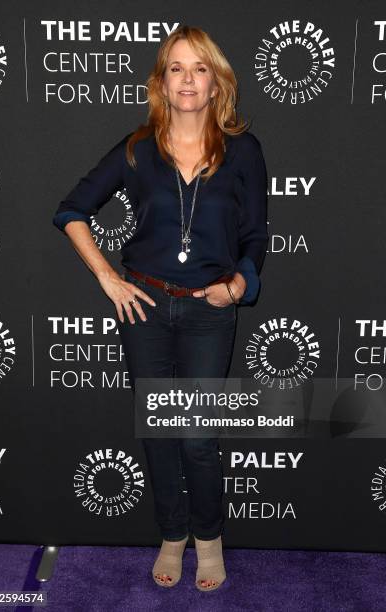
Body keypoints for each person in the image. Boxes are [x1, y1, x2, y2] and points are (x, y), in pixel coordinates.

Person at [52, 25, 268, 592]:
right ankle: (173, 535)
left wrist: (240, 285)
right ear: (161, 82)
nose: (188, 79)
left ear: (216, 81)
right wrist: (108, 279)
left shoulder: (243, 149)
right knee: (158, 434)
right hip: (144, 309)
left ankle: (210, 539)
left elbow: (256, 238)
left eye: (200, 68)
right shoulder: (136, 148)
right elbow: (72, 210)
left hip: (209, 311)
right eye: (176, 68)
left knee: (196, 436)